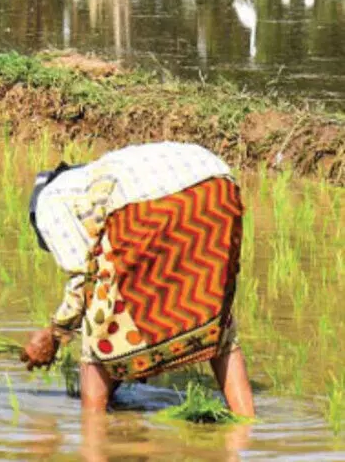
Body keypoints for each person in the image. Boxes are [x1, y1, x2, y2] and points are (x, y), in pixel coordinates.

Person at [20, 142, 255, 418]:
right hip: (218, 188)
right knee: (213, 314)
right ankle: (245, 426)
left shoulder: (49, 203)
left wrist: (55, 336)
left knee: (100, 323)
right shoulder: (93, 179)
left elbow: (82, 277)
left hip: (152, 204)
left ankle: (93, 428)